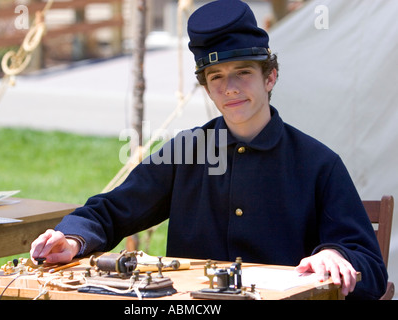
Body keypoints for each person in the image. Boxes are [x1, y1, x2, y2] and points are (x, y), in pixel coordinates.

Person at [30, 0, 388, 299]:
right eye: (216, 76)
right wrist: (73, 238)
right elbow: (111, 211)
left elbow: (370, 271)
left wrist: (335, 254)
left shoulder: (318, 164)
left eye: (243, 72)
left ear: (270, 77)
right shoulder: (187, 151)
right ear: (206, 87)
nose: (230, 88)